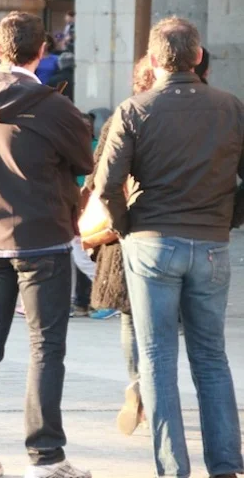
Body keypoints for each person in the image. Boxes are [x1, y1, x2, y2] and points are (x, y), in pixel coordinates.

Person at [95, 17, 244, 478]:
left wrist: (124, 226)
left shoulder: (134, 109)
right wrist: (229, 218)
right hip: (212, 243)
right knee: (211, 356)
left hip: (151, 241)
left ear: (154, 60)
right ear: (198, 57)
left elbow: (106, 185)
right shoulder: (231, 107)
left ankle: (173, 467)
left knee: (157, 358)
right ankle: (225, 465)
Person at [0, 11, 94, 478]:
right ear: (43, 50)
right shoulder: (54, 106)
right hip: (42, 239)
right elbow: (84, 158)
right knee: (46, 347)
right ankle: (46, 457)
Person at [84, 56, 156, 435]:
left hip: (124, 232)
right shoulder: (175, 118)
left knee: (129, 316)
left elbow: (98, 178)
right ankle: (153, 388)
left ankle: (136, 382)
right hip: (164, 230)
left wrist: (119, 222)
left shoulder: (121, 116)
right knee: (161, 318)